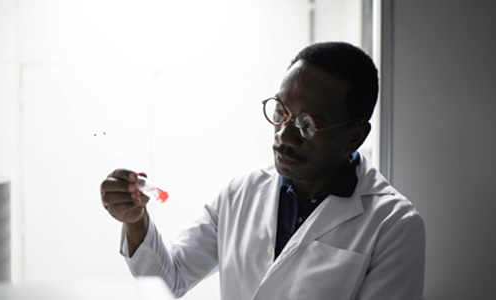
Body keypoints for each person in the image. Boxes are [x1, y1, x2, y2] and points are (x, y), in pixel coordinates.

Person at [100, 41, 425, 300]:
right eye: (281, 111)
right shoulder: (239, 195)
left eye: (308, 124)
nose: (284, 135)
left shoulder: (393, 225)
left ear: (355, 136)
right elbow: (168, 282)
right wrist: (136, 222)